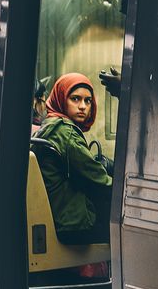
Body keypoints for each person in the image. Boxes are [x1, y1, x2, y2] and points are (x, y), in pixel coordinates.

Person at [32, 72, 112, 246]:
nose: (83, 106)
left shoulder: (48, 125)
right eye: (75, 99)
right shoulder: (66, 132)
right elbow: (99, 180)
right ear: (61, 98)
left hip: (58, 217)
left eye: (88, 101)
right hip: (73, 225)